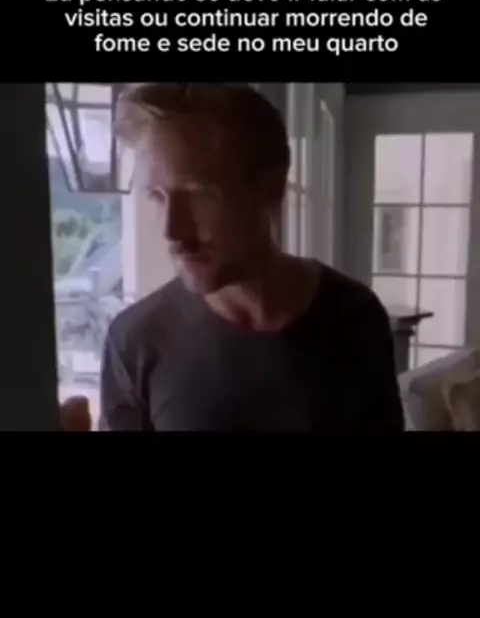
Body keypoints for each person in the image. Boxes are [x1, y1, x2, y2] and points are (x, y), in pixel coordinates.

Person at [72, 83, 404, 432]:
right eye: (157, 196)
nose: (172, 230)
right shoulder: (135, 342)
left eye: (201, 195)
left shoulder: (356, 316)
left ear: (272, 190)